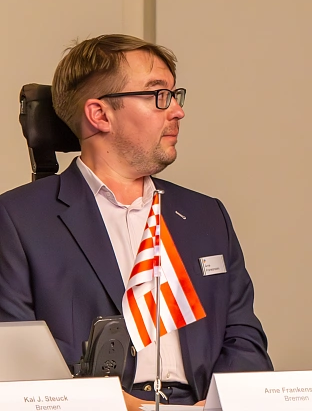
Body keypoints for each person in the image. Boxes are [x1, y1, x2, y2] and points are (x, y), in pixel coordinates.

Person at [0, 35, 272, 409]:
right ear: (100, 114)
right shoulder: (18, 219)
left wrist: (215, 405)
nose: (177, 110)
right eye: (158, 95)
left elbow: (244, 340)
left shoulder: (207, 215)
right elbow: (18, 356)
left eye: (176, 95)